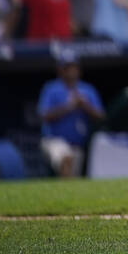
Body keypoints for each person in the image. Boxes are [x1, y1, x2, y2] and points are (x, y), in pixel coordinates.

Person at [36, 49, 104, 177]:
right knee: (66, 158)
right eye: (67, 67)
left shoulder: (87, 90)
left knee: (72, 177)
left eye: (73, 67)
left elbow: (100, 116)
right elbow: (44, 115)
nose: (71, 71)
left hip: (77, 144)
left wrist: (84, 105)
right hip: (53, 140)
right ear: (60, 70)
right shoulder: (51, 88)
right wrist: (69, 106)